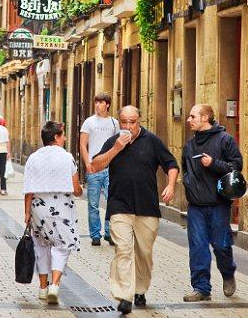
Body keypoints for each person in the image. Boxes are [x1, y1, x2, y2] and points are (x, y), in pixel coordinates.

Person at [91, 106, 179, 315]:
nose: (129, 126)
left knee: (144, 253)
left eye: (133, 122)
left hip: (147, 206)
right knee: (123, 250)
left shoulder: (152, 141)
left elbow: (171, 164)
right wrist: (116, 149)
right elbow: (95, 165)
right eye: (124, 122)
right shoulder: (114, 141)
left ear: (139, 120)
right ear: (119, 122)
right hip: (119, 205)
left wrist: (171, 185)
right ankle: (124, 296)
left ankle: (140, 289)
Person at [181, 104, 242, 302]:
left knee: (221, 245)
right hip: (196, 205)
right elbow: (186, 168)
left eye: (192, 116)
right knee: (197, 247)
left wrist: (213, 164)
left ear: (205, 118)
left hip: (218, 204)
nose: (189, 120)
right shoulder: (189, 146)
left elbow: (236, 166)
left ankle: (227, 273)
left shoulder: (225, 140)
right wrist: (189, 183)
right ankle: (201, 288)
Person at [23, 121, 83, 305]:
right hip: (62, 207)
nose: (64, 138)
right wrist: (80, 191)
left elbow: (28, 189)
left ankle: (42, 288)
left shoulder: (33, 158)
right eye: (63, 135)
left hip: (38, 208)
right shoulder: (67, 157)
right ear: (56, 137)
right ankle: (55, 286)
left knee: (41, 246)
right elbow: (75, 188)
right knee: (61, 246)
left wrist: (27, 213)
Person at [80, 93, 119, 247]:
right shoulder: (89, 122)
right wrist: (87, 163)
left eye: (101, 102)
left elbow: (118, 144)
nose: (97, 105)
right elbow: (83, 144)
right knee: (93, 203)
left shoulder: (114, 123)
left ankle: (109, 233)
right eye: (96, 102)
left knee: (112, 201)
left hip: (111, 168)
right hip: (94, 168)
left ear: (107, 105)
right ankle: (95, 234)